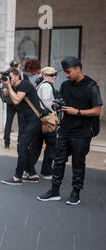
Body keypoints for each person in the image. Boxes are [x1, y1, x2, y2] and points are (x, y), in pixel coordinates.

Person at [38, 57, 103, 206]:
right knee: (59, 160)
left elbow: (97, 110)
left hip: (82, 132)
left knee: (78, 163)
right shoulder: (65, 85)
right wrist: (58, 105)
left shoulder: (91, 86)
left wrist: (77, 112)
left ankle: (75, 194)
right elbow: (61, 101)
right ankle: (54, 191)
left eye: (68, 72)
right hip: (65, 129)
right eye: (65, 72)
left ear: (77, 68)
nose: (66, 75)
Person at [0, 67, 50, 185]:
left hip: (34, 121)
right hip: (25, 121)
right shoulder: (13, 87)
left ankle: (17, 177)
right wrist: (1, 83)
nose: (8, 79)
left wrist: (9, 87)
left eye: (10, 77)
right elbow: (0, 97)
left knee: (22, 146)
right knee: (22, 148)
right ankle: (32, 175)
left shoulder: (24, 85)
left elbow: (16, 100)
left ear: (17, 76)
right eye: (7, 77)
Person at [36, 66, 59, 180]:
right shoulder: (46, 86)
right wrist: (54, 105)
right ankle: (46, 171)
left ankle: (27, 169)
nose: (54, 76)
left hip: (40, 120)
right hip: (47, 120)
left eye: (55, 74)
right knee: (51, 145)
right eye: (51, 75)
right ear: (45, 76)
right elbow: (45, 102)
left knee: (37, 145)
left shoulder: (42, 85)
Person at [1, 59, 30, 149]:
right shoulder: (22, 75)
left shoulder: (6, 75)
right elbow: (28, 87)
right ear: (18, 66)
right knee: (21, 123)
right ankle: (20, 142)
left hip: (10, 102)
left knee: (9, 121)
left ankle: (7, 143)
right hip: (19, 101)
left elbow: (2, 89)